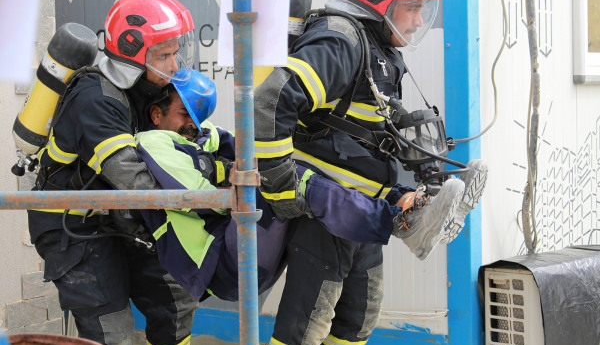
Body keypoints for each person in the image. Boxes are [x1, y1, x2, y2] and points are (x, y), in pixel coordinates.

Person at [253, 0, 488, 345]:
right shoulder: (340, 41)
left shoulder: (377, 46)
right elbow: (271, 100)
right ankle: (413, 224)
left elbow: (369, 125)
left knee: (358, 318)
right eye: (412, 7)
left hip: (360, 211)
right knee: (306, 325)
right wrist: (280, 182)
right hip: (324, 212)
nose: (418, 21)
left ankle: (416, 212)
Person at [136, 69, 457, 303]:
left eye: (197, 117)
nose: (192, 125)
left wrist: (231, 168)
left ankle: (410, 203)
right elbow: (205, 198)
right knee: (280, 175)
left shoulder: (201, 134)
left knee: (300, 161)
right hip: (220, 262)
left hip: (244, 245)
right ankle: (396, 222)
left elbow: (250, 149)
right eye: (184, 114)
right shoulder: (153, 140)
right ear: (156, 114)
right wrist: (232, 173)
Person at [27, 0, 199, 345]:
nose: (174, 65)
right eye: (163, 55)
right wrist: (198, 195)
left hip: (116, 217)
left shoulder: (143, 89)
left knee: (175, 298)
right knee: (113, 333)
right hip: (72, 226)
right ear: (132, 52)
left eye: (175, 52)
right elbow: (135, 181)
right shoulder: (98, 99)